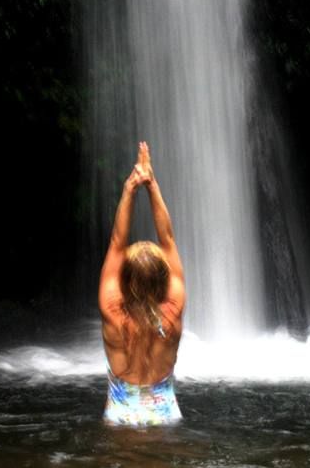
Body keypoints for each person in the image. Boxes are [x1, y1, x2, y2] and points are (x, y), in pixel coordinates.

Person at [98, 141, 186, 426]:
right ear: (164, 279)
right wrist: (152, 184)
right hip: (165, 414)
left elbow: (117, 241)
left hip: (120, 414)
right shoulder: (173, 311)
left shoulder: (112, 311)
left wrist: (130, 188)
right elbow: (168, 240)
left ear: (123, 280)